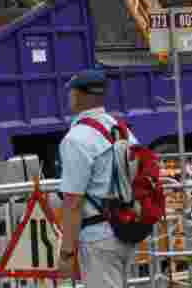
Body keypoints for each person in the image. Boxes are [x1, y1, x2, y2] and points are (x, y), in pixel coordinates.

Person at [57, 69, 139, 288]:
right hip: (125, 229)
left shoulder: (76, 139)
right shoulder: (120, 130)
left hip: (98, 238)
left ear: (77, 96)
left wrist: (66, 254)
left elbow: (73, 202)